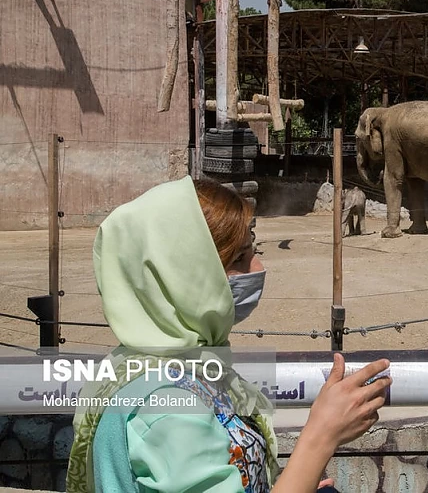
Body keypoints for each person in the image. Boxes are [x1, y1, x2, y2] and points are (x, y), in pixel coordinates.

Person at [66, 176, 391, 493]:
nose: (258, 267)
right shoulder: (169, 410)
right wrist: (321, 436)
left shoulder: (148, 364)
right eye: (239, 258)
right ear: (181, 276)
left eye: (253, 250)